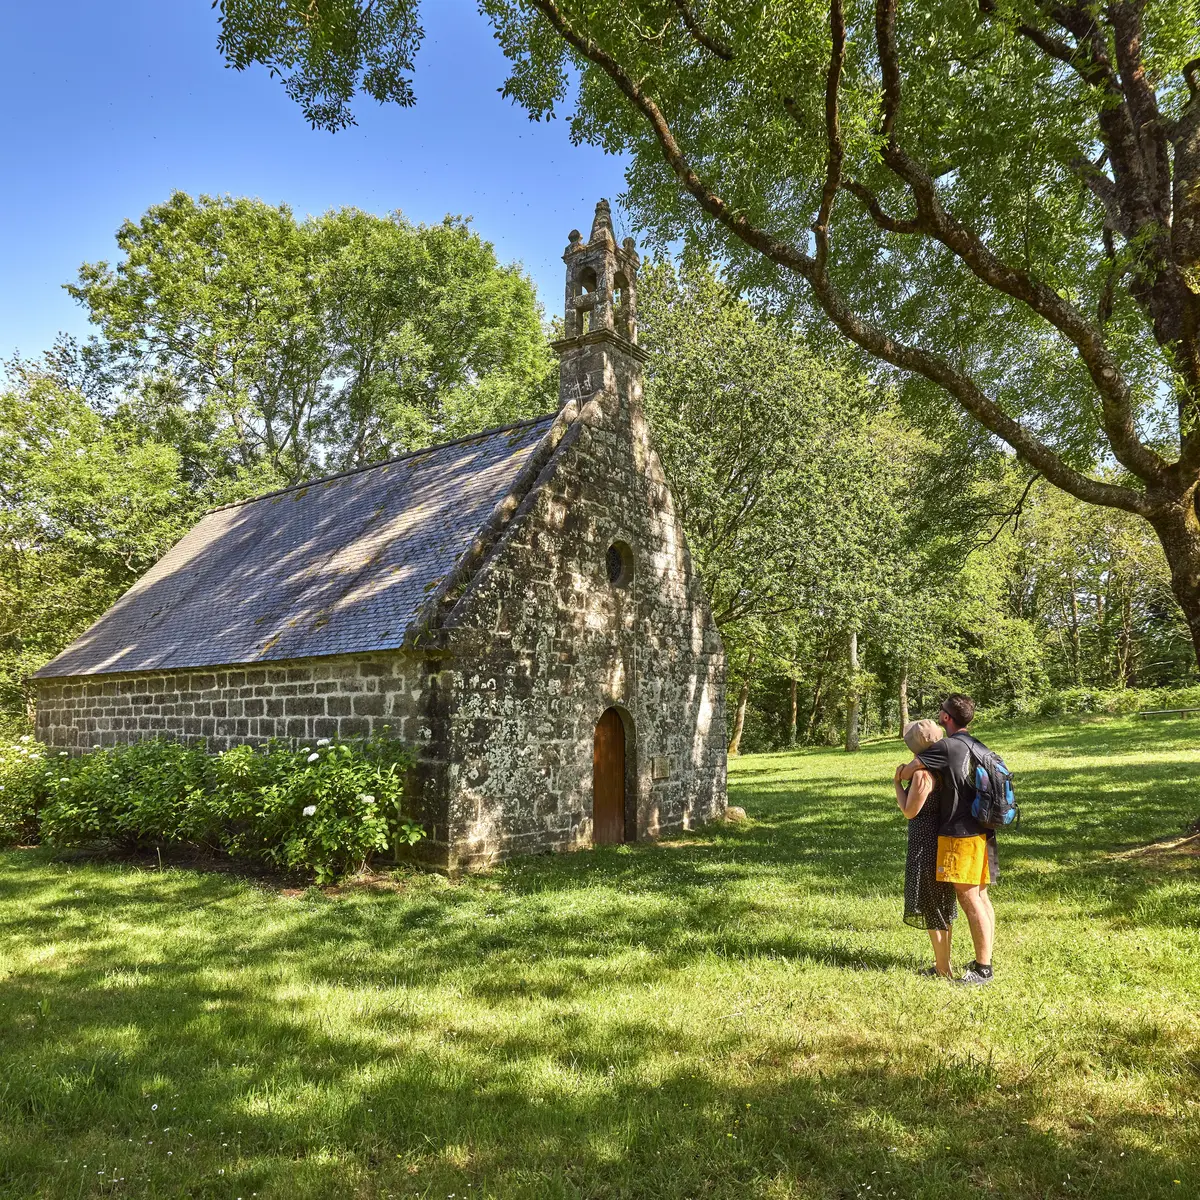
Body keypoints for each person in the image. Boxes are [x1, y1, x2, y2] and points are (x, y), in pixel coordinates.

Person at [898, 693, 998, 985]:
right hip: (983, 827)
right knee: (981, 896)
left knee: (969, 900)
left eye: (941, 711)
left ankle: (983, 970)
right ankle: (985, 960)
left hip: (960, 833)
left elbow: (909, 770)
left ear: (945, 718)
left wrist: (898, 775)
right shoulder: (976, 744)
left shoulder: (944, 748)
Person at [893, 719, 957, 977]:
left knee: (932, 904)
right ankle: (945, 963)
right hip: (943, 837)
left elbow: (909, 811)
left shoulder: (921, 773)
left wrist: (897, 783)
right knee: (943, 903)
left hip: (926, 841)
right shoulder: (944, 766)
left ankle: (942, 968)